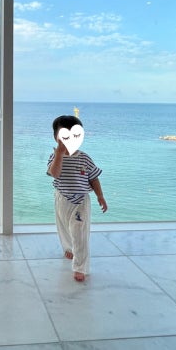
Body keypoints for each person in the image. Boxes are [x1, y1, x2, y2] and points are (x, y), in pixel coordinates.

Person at [47, 114, 107, 281]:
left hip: (80, 201)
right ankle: (69, 248)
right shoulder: (54, 157)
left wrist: (100, 196)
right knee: (64, 228)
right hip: (61, 198)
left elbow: (94, 178)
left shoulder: (84, 157)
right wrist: (59, 154)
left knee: (79, 232)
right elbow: (54, 173)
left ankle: (80, 266)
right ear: (55, 137)